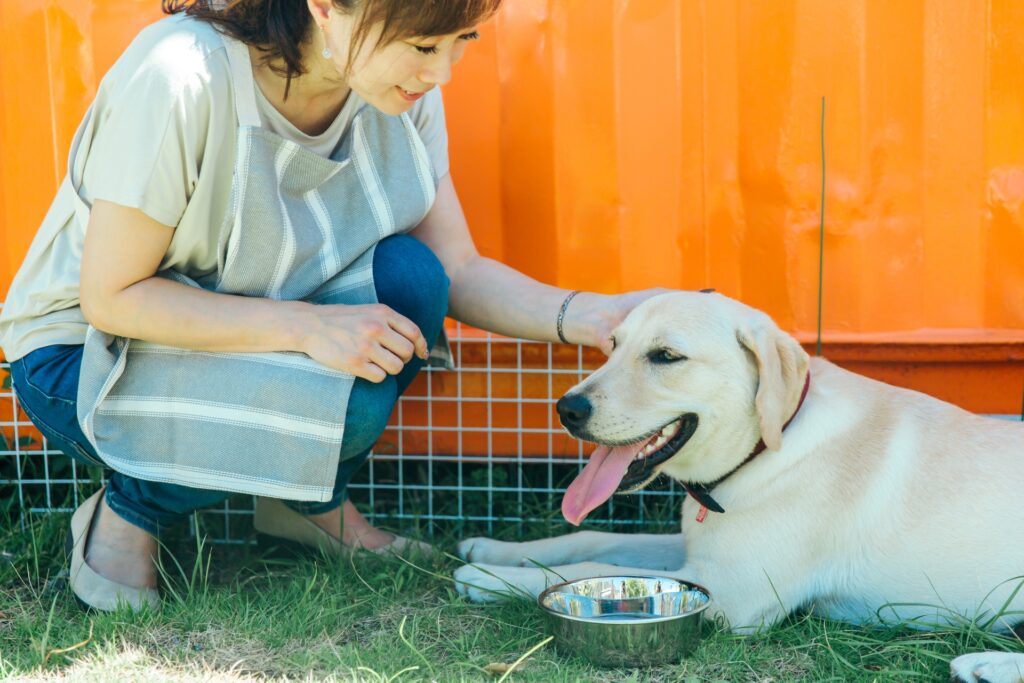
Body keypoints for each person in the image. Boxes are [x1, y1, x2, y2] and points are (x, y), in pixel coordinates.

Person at [0, 0, 665, 612]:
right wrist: (309, 327)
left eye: (459, 42)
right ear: (325, 7)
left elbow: (457, 269)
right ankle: (128, 512)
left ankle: (304, 504)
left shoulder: (396, 90)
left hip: (243, 328)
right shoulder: (181, 75)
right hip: (84, 358)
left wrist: (592, 316)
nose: (442, 73)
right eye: (423, 46)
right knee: (350, 402)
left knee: (411, 279)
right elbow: (111, 297)